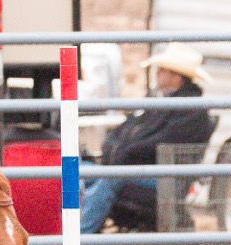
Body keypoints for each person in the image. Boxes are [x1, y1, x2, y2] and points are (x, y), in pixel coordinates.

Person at [80, 42, 216, 234]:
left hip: (164, 182)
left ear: (176, 77)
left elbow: (158, 144)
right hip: (140, 171)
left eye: (161, 70)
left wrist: (123, 153)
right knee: (79, 171)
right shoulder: (161, 103)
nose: (157, 73)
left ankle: (75, 244)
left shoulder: (191, 111)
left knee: (111, 178)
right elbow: (129, 131)